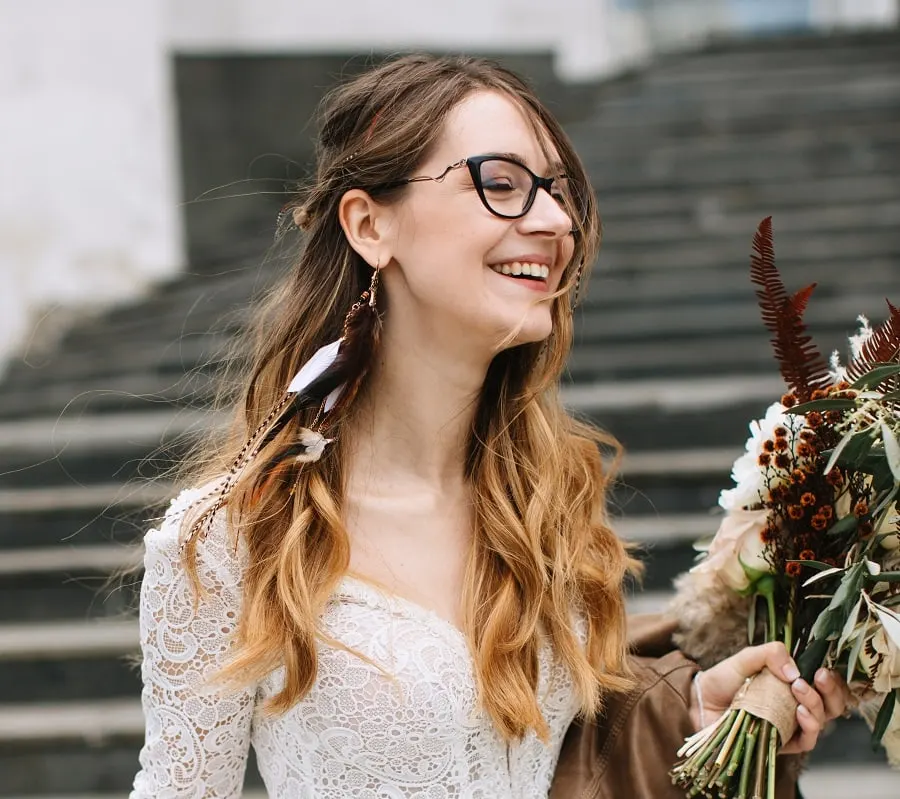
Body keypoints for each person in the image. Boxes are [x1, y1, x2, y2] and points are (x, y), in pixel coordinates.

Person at [130, 54, 848, 798]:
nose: (554, 221)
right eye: (500, 184)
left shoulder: (545, 503)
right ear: (370, 224)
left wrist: (699, 715)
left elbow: (573, 756)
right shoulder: (231, 533)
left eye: (558, 193)